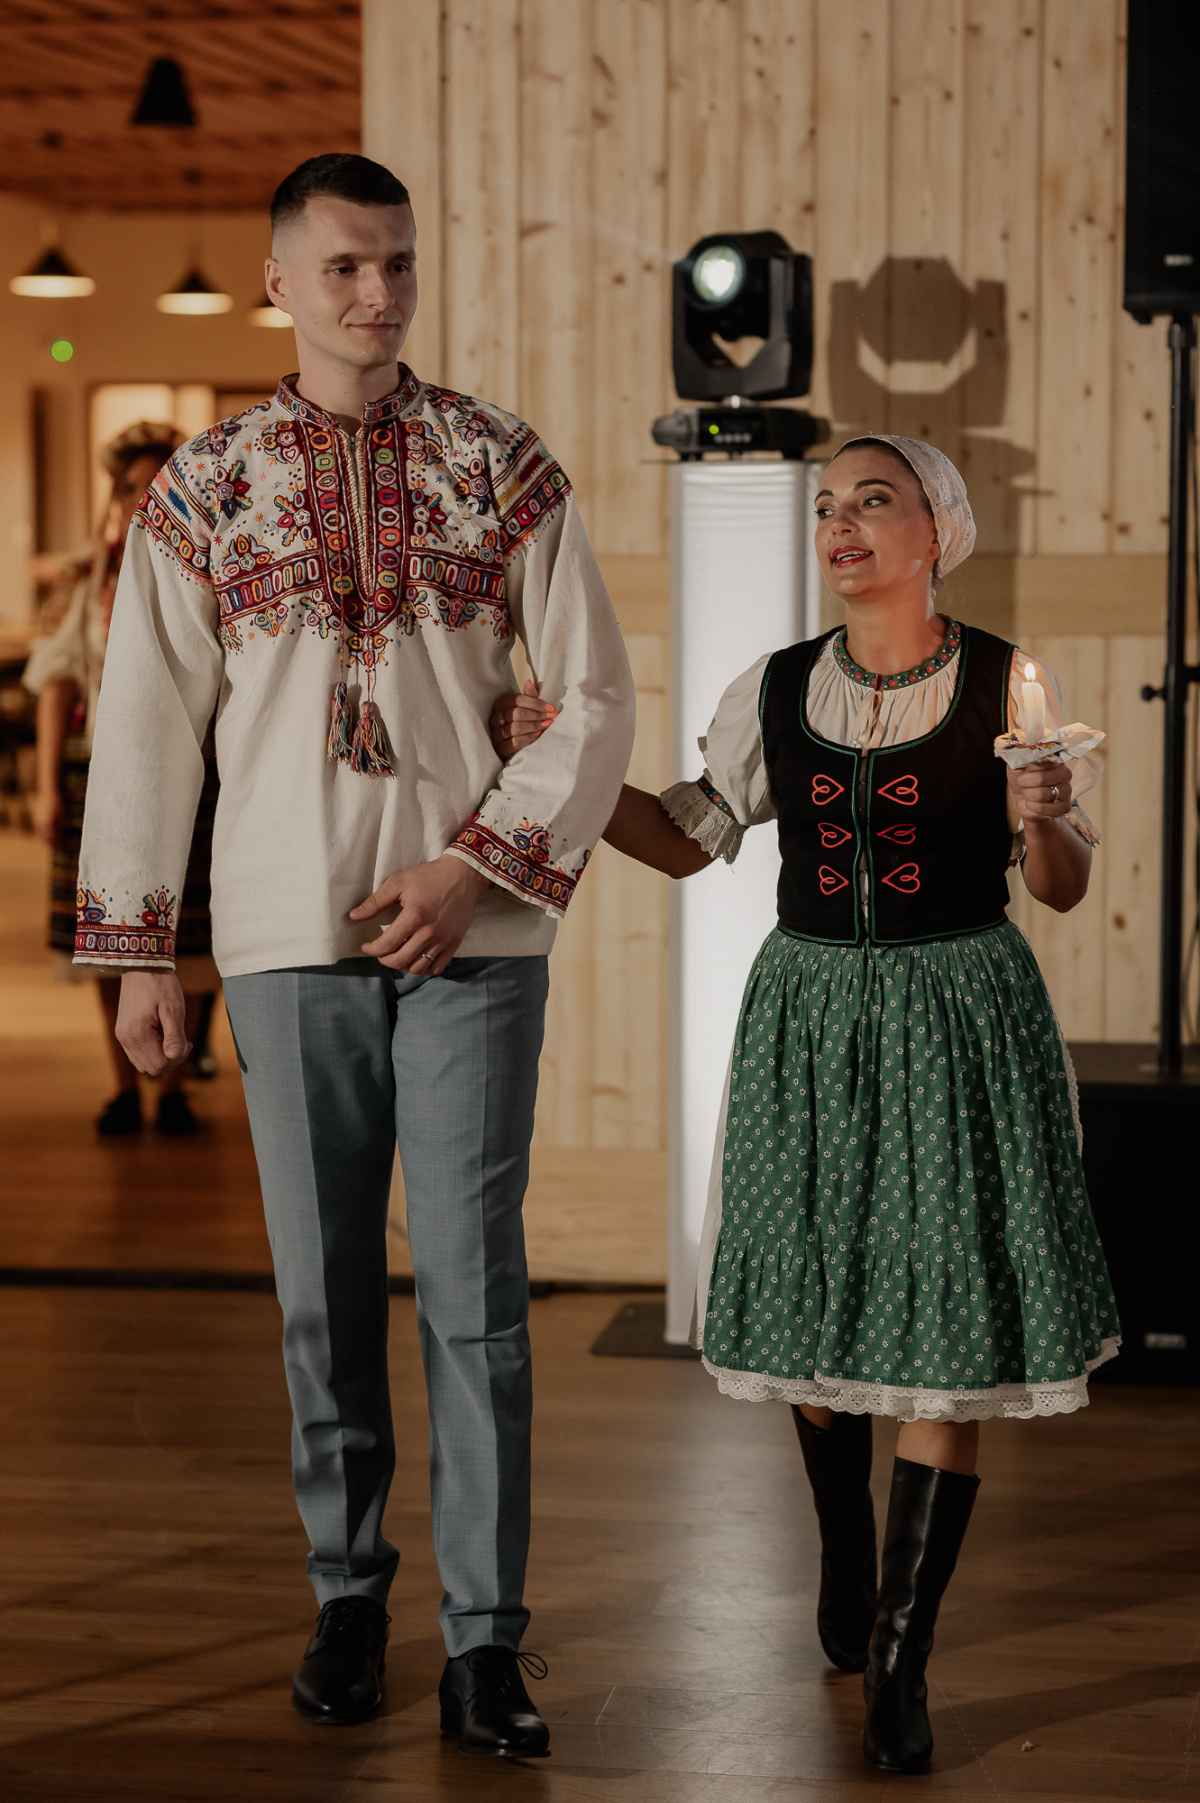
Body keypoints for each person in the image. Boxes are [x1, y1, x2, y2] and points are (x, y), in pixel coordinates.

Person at [73, 152, 634, 1752]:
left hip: (476, 935)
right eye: (343, 266)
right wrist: (141, 953)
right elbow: (145, 724)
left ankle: (484, 1638)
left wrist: (473, 868)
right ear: (279, 283)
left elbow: (594, 696)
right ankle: (346, 1595)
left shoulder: (502, 463)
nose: (376, 292)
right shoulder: (202, 488)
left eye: (397, 261)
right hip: (279, 936)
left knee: (477, 1296)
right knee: (323, 1298)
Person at [492, 434, 1118, 1775]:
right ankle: (845, 1542)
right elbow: (688, 839)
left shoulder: (1006, 680)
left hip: (957, 1008)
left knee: (945, 1306)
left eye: (872, 501)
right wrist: (573, 770)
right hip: (812, 1011)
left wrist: (1046, 808)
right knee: (818, 1280)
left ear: (936, 531)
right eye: (828, 504)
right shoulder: (777, 687)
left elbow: (1060, 884)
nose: (841, 522)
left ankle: (901, 1652)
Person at [25, 422, 218, 1136]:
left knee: (191, 935)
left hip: (195, 766)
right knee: (107, 929)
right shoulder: (88, 581)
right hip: (96, 764)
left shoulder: (210, 564)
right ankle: (123, 1085)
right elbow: (55, 685)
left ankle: (175, 1085)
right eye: (134, 486)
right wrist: (47, 787)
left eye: (158, 482)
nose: (146, 497)